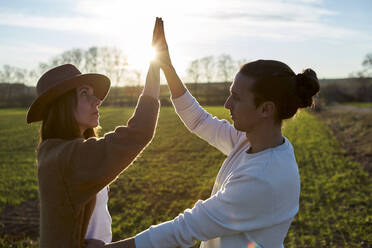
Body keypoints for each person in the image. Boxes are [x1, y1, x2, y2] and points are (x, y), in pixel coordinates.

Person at [98, 18, 320, 248]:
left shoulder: (264, 177)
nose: (227, 104)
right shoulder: (249, 142)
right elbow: (199, 120)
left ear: (266, 109)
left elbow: (185, 229)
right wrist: (167, 66)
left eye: (236, 97)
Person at [27, 17, 163, 248]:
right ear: (62, 105)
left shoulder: (63, 150)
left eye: (94, 93)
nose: (97, 100)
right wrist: (156, 63)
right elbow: (139, 131)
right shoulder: (66, 157)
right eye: (84, 94)